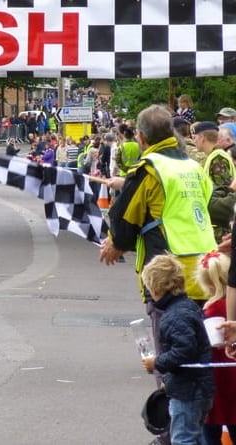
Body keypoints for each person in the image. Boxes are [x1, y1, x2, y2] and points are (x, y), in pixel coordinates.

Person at [99, 105, 216, 445]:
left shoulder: (149, 169)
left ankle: (173, 435)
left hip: (170, 277)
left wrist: (114, 243)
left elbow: (123, 224)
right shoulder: (193, 167)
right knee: (203, 358)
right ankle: (199, 431)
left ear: (141, 137)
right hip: (208, 274)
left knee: (172, 363)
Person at [141, 254, 214, 445]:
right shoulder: (187, 306)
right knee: (197, 435)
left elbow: (184, 351)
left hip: (188, 391)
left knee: (183, 438)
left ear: (155, 289)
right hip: (199, 387)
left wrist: (157, 363)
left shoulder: (174, 315)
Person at [194, 251, 236, 445]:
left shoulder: (211, 309)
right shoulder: (230, 306)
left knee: (210, 432)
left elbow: (211, 344)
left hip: (217, 378)